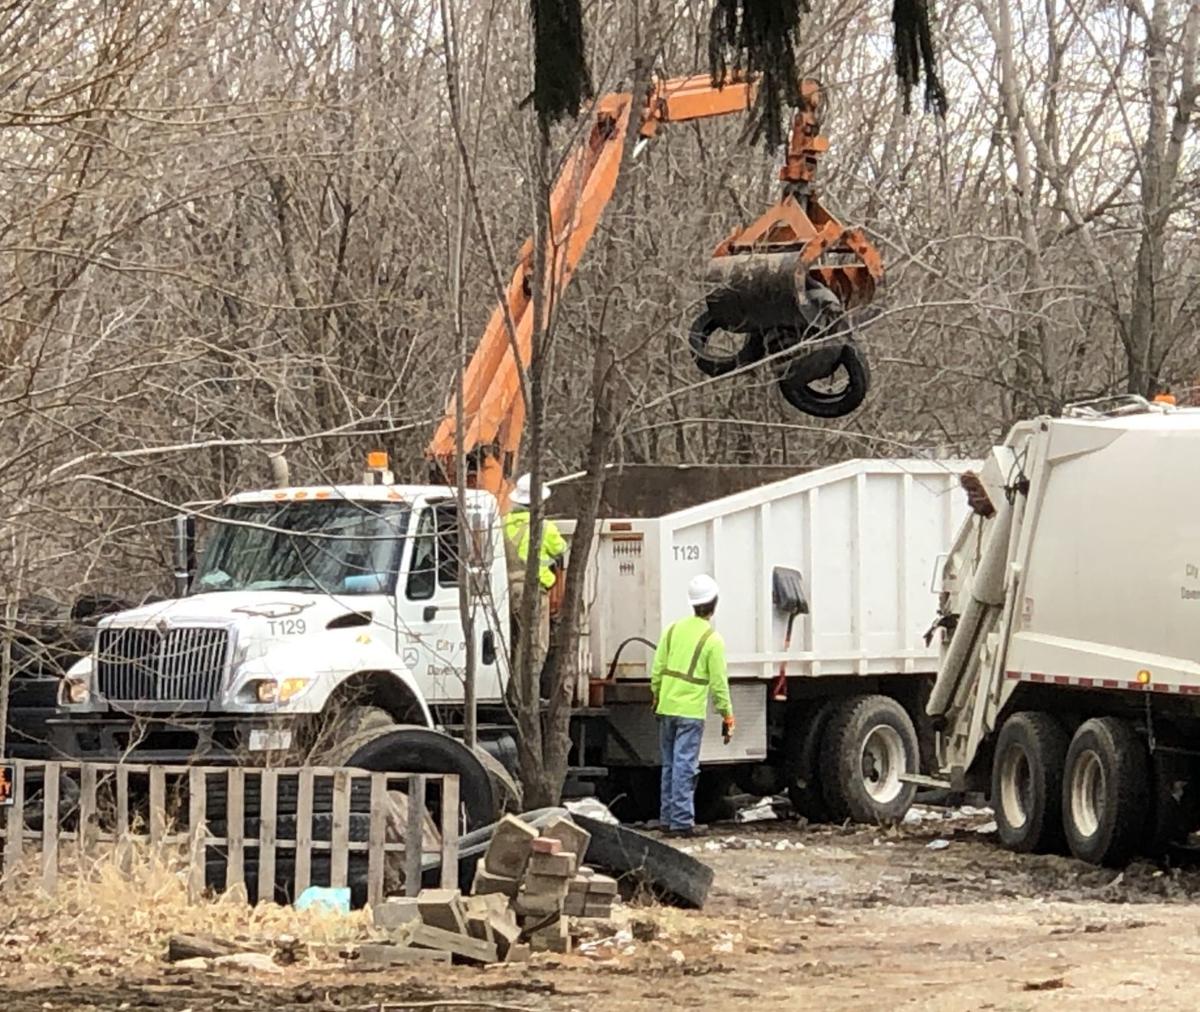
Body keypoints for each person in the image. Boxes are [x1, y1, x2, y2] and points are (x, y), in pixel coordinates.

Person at [650, 574, 735, 836]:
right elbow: (719, 684)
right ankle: (682, 823)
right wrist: (727, 715)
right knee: (685, 767)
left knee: (669, 765)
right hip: (690, 713)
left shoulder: (673, 630)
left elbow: (658, 669)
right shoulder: (713, 640)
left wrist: (657, 695)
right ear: (714, 604)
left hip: (666, 707)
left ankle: (667, 819)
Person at [504, 473, 567, 687]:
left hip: (507, 593)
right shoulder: (544, 527)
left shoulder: (502, 524)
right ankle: (528, 693)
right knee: (536, 645)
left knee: (515, 644)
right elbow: (560, 549)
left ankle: (513, 691)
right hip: (534, 592)